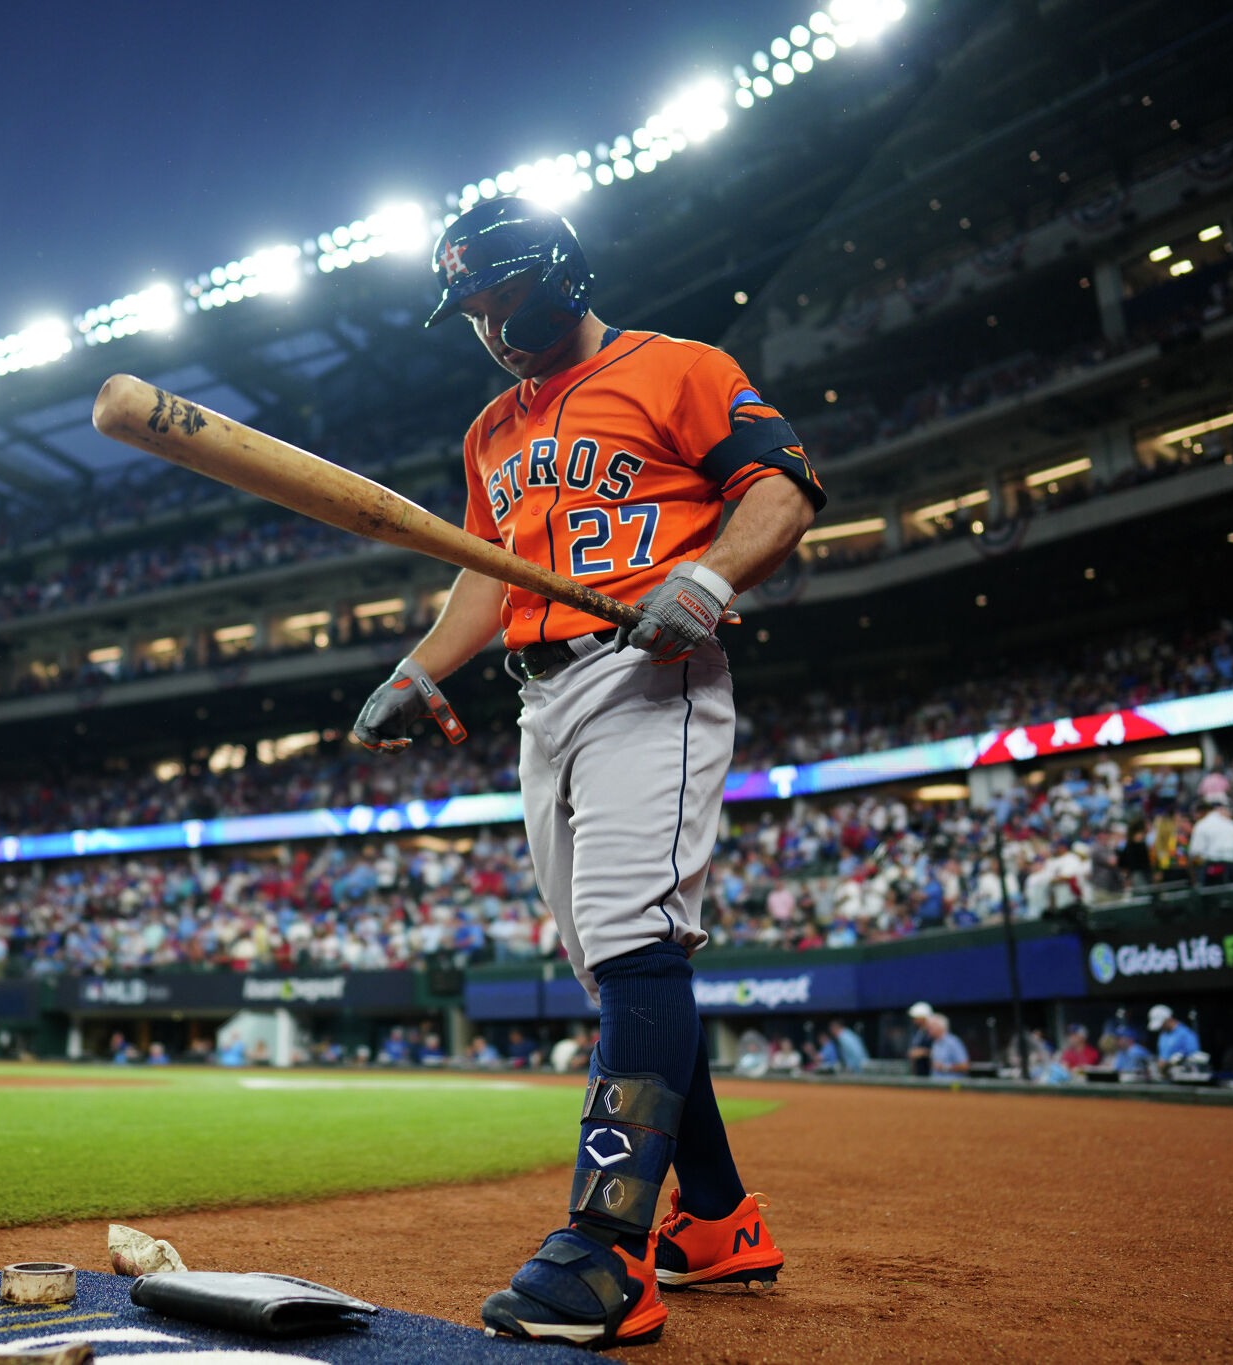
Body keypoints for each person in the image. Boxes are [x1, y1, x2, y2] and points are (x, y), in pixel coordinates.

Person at [352, 198, 821, 1348]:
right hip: (538, 698)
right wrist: (423, 667)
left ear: (559, 273)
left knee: (628, 937)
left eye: (502, 297)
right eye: (470, 310)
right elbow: (482, 571)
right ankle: (712, 1220)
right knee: (615, 964)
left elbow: (780, 487)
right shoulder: (488, 433)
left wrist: (708, 580)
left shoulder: (677, 367)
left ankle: (606, 1253)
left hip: (649, 669)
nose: (490, 326)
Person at [1188, 798, 1233, 886]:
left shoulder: (1202, 824)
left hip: (1214, 869)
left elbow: (1195, 854)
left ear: (1201, 812)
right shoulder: (1232, 824)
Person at [1147, 1004, 1202, 1074]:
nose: (1160, 1028)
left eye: (1162, 1024)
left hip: (1181, 1077)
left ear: (1168, 1019)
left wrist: (1173, 1062)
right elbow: (1162, 1058)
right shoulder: (1163, 1035)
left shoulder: (1187, 1035)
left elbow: (1195, 1058)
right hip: (1165, 1077)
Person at [920, 1014, 969, 1080]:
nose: (928, 1029)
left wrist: (944, 1067)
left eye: (931, 1027)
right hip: (936, 1087)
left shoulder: (953, 1042)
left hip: (952, 1087)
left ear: (940, 1027)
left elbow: (965, 1066)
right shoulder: (935, 1042)